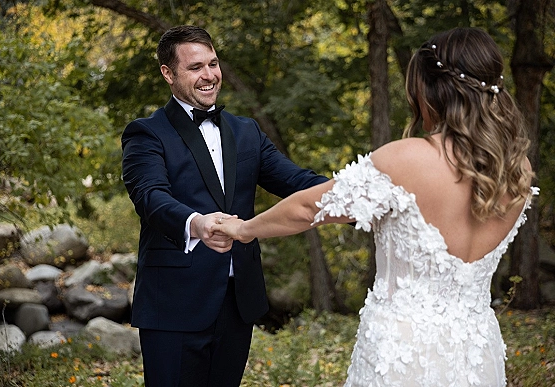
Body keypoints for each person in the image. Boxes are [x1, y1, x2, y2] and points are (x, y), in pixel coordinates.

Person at [213, 27, 538, 386]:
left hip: (401, 350)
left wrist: (242, 229)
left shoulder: (408, 158)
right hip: (477, 350)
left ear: (430, 89)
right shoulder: (516, 170)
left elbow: (309, 209)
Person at [121, 25, 328, 387]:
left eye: (213, 64)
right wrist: (197, 224)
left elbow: (297, 182)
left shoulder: (246, 131)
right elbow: (150, 198)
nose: (209, 75)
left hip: (237, 301)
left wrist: (364, 193)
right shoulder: (146, 133)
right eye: (195, 67)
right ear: (168, 74)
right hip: (174, 302)